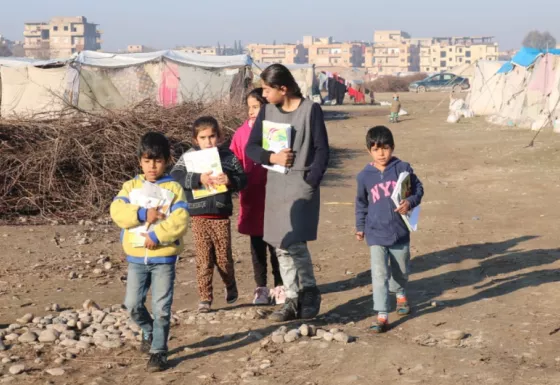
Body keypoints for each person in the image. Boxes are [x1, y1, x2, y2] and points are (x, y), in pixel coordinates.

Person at [245, 63, 330, 322]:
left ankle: (310, 291)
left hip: (300, 186)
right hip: (276, 185)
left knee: (295, 243)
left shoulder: (310, 110)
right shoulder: (268, 111)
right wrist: (272, 157)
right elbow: (252, 147)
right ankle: (292, 299)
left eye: (267, 90)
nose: (264, 95)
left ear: (283, 88)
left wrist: (310, 181)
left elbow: (322, 150)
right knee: (280, 245)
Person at [110, 132, 189, 372]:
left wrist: (157, 235)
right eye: (147, 160)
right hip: (136, 258)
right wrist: (142, 214)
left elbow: (181, 219)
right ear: (139, 161)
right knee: (132, 304)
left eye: (157, 160)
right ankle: (148, 329)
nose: (152, 166)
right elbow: (116, 211)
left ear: (166, 160)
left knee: (161, 308)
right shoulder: (130, 186)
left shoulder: (174, 188)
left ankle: (158, 351)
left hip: (163, 258)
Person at [171, 116, 247, 313]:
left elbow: (243, 178)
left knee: (223, 259)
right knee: (204, 259)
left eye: (212, 136)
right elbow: (175, 176)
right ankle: (205, 297)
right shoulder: (190, 157)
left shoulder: (228, 156)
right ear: (196, 139)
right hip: (199, 217)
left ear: (219, 137)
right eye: (203, 137)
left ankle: (230, 284)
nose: (208, 141)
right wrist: (198, 178)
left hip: (221, 216)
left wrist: (230, 180)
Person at [355, 126, 424, 333]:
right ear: (369, 151)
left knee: (400, 269)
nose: (381, 153)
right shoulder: (364, 176)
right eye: (376, 149)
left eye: (385, 148)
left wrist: (410, 202)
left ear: (392, 147)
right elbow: (361, 203)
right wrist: (360, 227)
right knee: (379, 273)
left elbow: (418, 189)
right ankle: (382, 314)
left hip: (399, 230)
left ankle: (400, 293)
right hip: (375, 232)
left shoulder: (402, 168)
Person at [230, 88, 285, 306]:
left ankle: (280, 285)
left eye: (257, 107)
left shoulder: (277, 131)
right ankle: (261, 287)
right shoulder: (241, 134)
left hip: (274, 195)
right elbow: (233, 162)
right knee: (256, 244)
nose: (252, 112)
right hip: (251, 197)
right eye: (250, 107)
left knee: (277, 245)